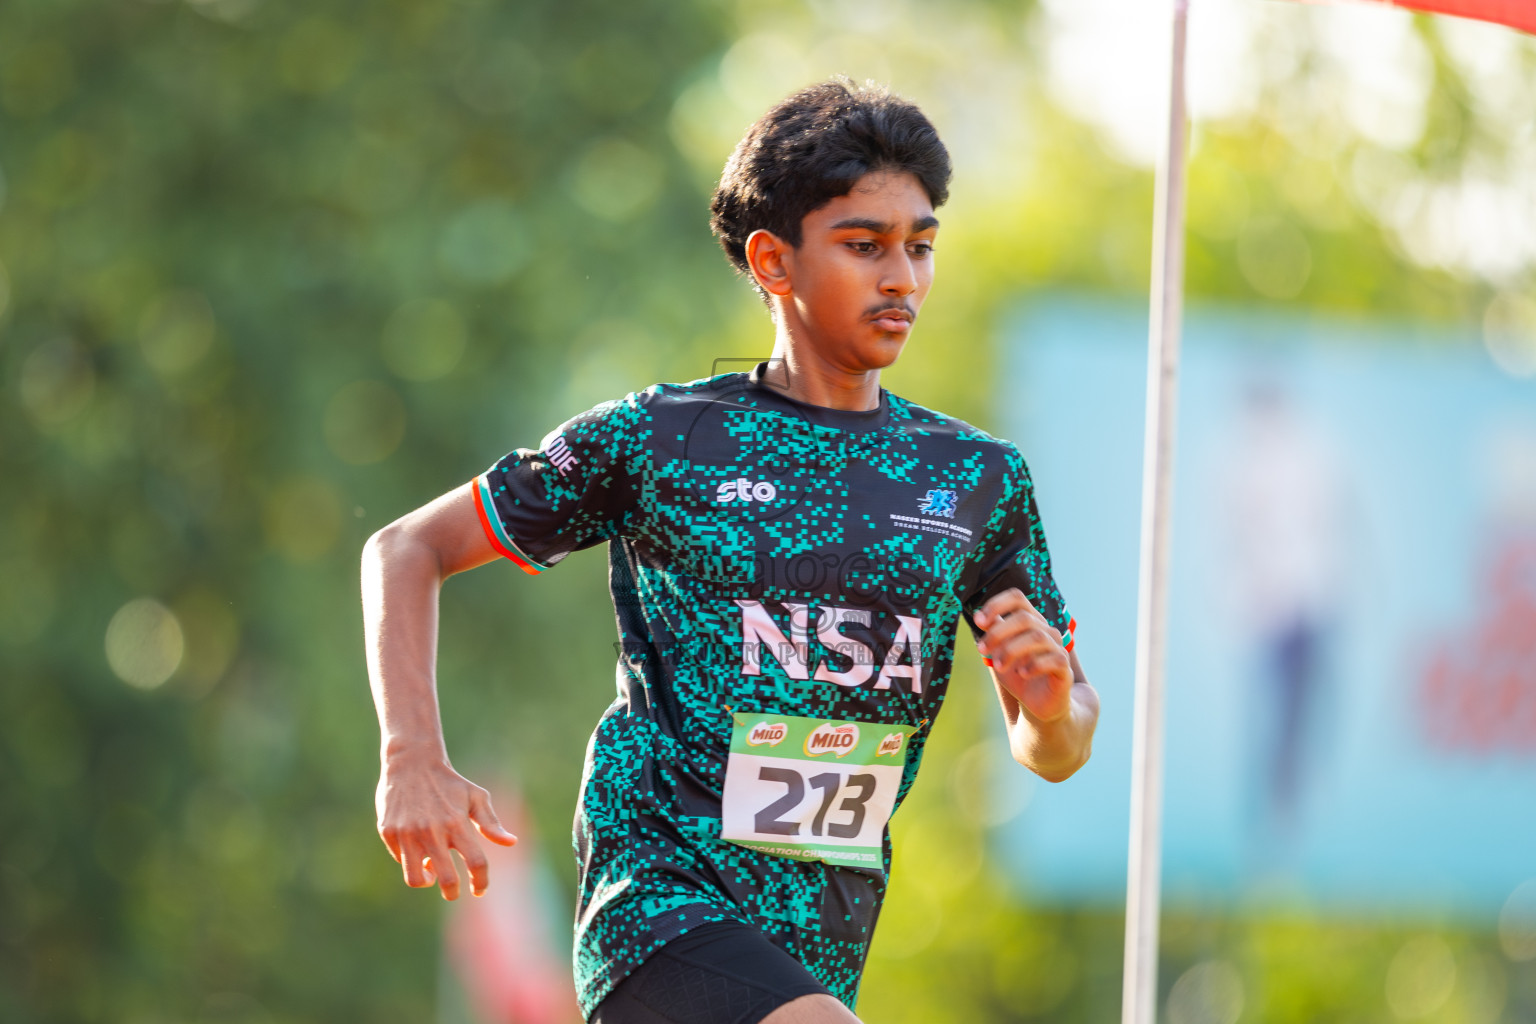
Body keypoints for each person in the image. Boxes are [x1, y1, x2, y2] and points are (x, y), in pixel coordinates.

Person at [361, 79, 1100, 1024]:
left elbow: (1057, 748)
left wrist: (1047, 706)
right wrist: (412, 756)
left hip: (822, 935)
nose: (903, 280)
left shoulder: (976, 479)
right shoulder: (660, 441)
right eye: (865, 246)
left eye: (920, 247)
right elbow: (406, 548)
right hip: (657, 908)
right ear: (773, 259)